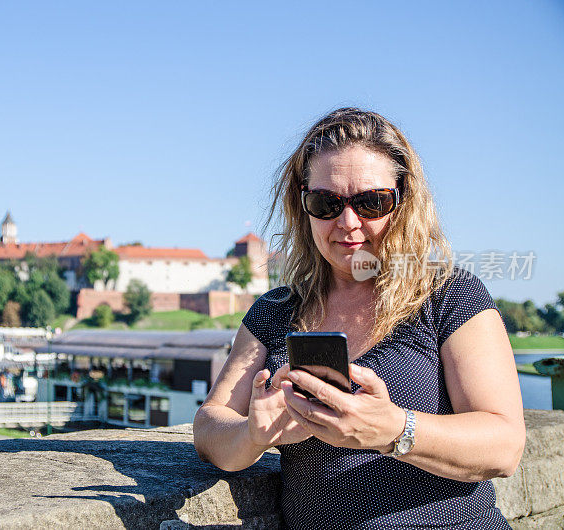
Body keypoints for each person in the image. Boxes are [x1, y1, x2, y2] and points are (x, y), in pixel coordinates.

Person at [193, 108, 524, 528]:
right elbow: (208, 428)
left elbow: (505, 447)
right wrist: (252, 436)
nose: (348, 222)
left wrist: (392, 430)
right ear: (303, 204)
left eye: (371, 202)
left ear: (403, 202)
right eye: (326, 203)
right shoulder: (275, 312)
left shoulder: (450, 295)